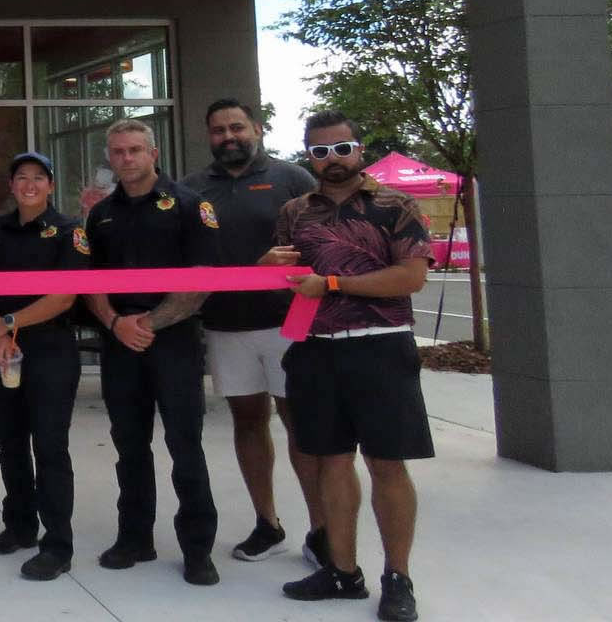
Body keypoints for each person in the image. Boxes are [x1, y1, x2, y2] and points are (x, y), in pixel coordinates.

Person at [278, 111, 431, 622]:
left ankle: (398, 578)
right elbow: (283, 278)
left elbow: (410, 277)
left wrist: (333, 285)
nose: (333, 159)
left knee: (387, 463)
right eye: (320, 151)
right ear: (309, 156)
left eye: (341, 148)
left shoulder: (396, 205)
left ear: (359, 149)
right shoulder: (295, 212)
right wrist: (265, 268)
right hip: (316, 349)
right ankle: (342, 571)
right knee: (331, 461)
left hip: (381, 347)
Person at [180, 99, 325, 565]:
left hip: (289, 323)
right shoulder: (193, 189)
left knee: (300, 424)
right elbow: (187, 257)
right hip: (226, 325)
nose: (229, 136)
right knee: (247, 422)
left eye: (237, 127)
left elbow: (324, 242)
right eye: (218, 130)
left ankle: (322, 530)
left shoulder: (292, 178)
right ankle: (268, 524)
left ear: (257, 129)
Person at [82, 118, 222, 586]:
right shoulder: (101, 214)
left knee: (185, 446)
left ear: (153, 153)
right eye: (118, 151)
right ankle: (135, 537)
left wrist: (148, 323)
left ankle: (198, 549)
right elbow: (89, 281)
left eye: (135, 150)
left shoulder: (190, 206)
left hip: (174, 340)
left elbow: (201, 282)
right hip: (120, 342)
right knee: (129, 446)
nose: (126, 158)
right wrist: (115, 323)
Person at [0, 151, 85, 581]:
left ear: (50, 186)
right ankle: (19, 525)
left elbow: (65, 295)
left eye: (39, 178)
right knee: (10, 442)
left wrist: (8, 323)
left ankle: (57, 545)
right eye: (22, 177)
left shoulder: (70, 231)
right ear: (11, 185)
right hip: (3, 351)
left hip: (50, 350)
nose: (30, 185)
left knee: (50, 447)